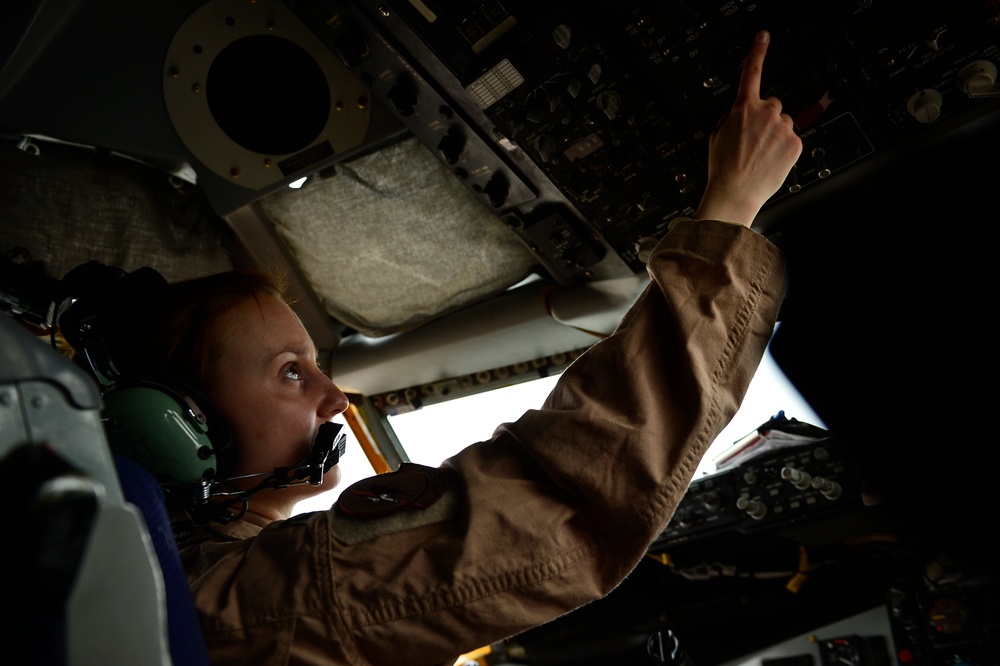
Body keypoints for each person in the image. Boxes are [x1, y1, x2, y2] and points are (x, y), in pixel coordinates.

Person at [105, 29, 801, 666]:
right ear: (181, 424)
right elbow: (554, 510)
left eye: (315, 363)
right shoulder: (227, 601)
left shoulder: (192, 579)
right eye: (291, 372)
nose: (335, 396)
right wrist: (730, 208)